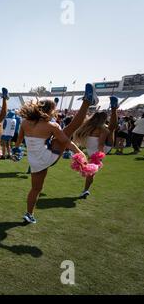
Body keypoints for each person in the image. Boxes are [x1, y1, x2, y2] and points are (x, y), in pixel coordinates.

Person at [14, 83, 97, 224]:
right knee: (70, 129)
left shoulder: (25, 123)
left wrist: (16, 150)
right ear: (50, 110)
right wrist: (79, 153)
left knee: (35, 189)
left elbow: (19, 139)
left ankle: (29, 214)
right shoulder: (52, 125)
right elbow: (66, 142)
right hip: (47, 158)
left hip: (33, 160)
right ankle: (87, 101)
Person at [73, 97, 119, 198]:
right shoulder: (102, 129)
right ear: (103, 120)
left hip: (95, 151)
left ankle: (85, 190)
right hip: (101, 149)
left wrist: (97, 157)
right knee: (111, 129)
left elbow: (99, 144)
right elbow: (101, 144)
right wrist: (99, 157)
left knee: (110, 129)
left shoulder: (87, 127)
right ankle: (114, 108)